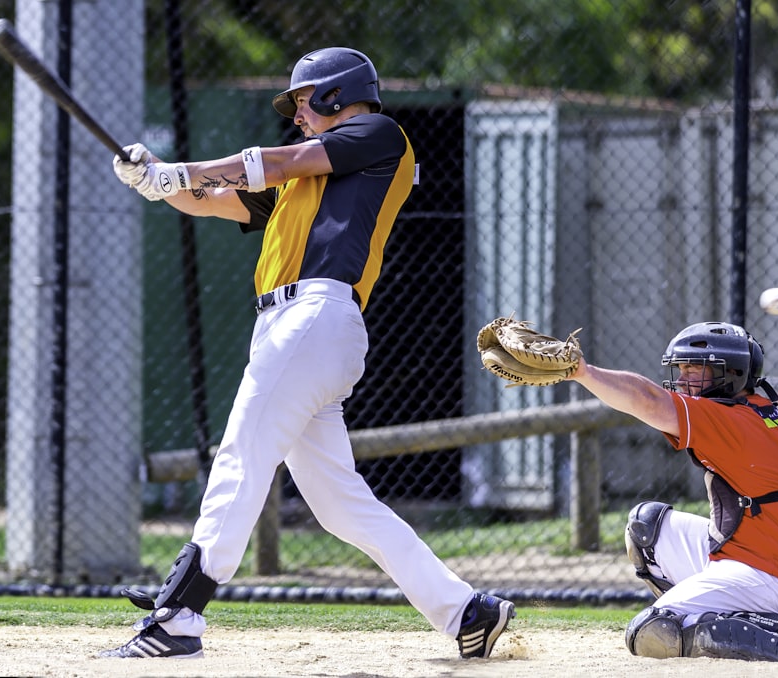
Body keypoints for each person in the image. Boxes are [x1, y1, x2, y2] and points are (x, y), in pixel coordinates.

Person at [101, 47, 515, 660]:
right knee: (341, 506)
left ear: (334, 92)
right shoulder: (299, 183)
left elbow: (284, 159)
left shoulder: (377, 134)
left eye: (302, 100)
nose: (297, 113)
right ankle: (467, 613)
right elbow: (215, 198)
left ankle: (179, 615)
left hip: (315, 316)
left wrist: (182, 169)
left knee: (241, 457)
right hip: (294, 329)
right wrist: (158, 180)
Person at [567, 321, 778, 663]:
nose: (685, 377)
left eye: (697, 368)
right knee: (647, 527)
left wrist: (582, 372)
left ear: (731, 374)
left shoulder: (734, 421)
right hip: (756, 560)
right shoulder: (764, 413)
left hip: (771, 582)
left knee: (652, 630)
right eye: (682, 367)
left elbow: (647, 400)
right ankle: (717, 615)